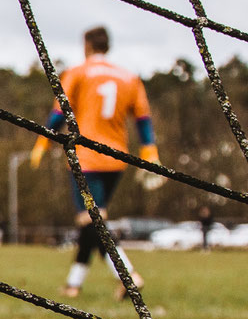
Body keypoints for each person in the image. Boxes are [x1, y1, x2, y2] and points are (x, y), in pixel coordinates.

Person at [31, 26, 158, 299]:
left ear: (87, 45)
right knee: (92, 222)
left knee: (91, 221)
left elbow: (59, 113)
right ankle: (73, 284)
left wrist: (42, 141)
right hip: (117, 159)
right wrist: (150, 148)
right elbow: (143, 119)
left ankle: (128, 275)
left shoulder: (77, 72)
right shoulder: (129, 77)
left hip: (86, 158)